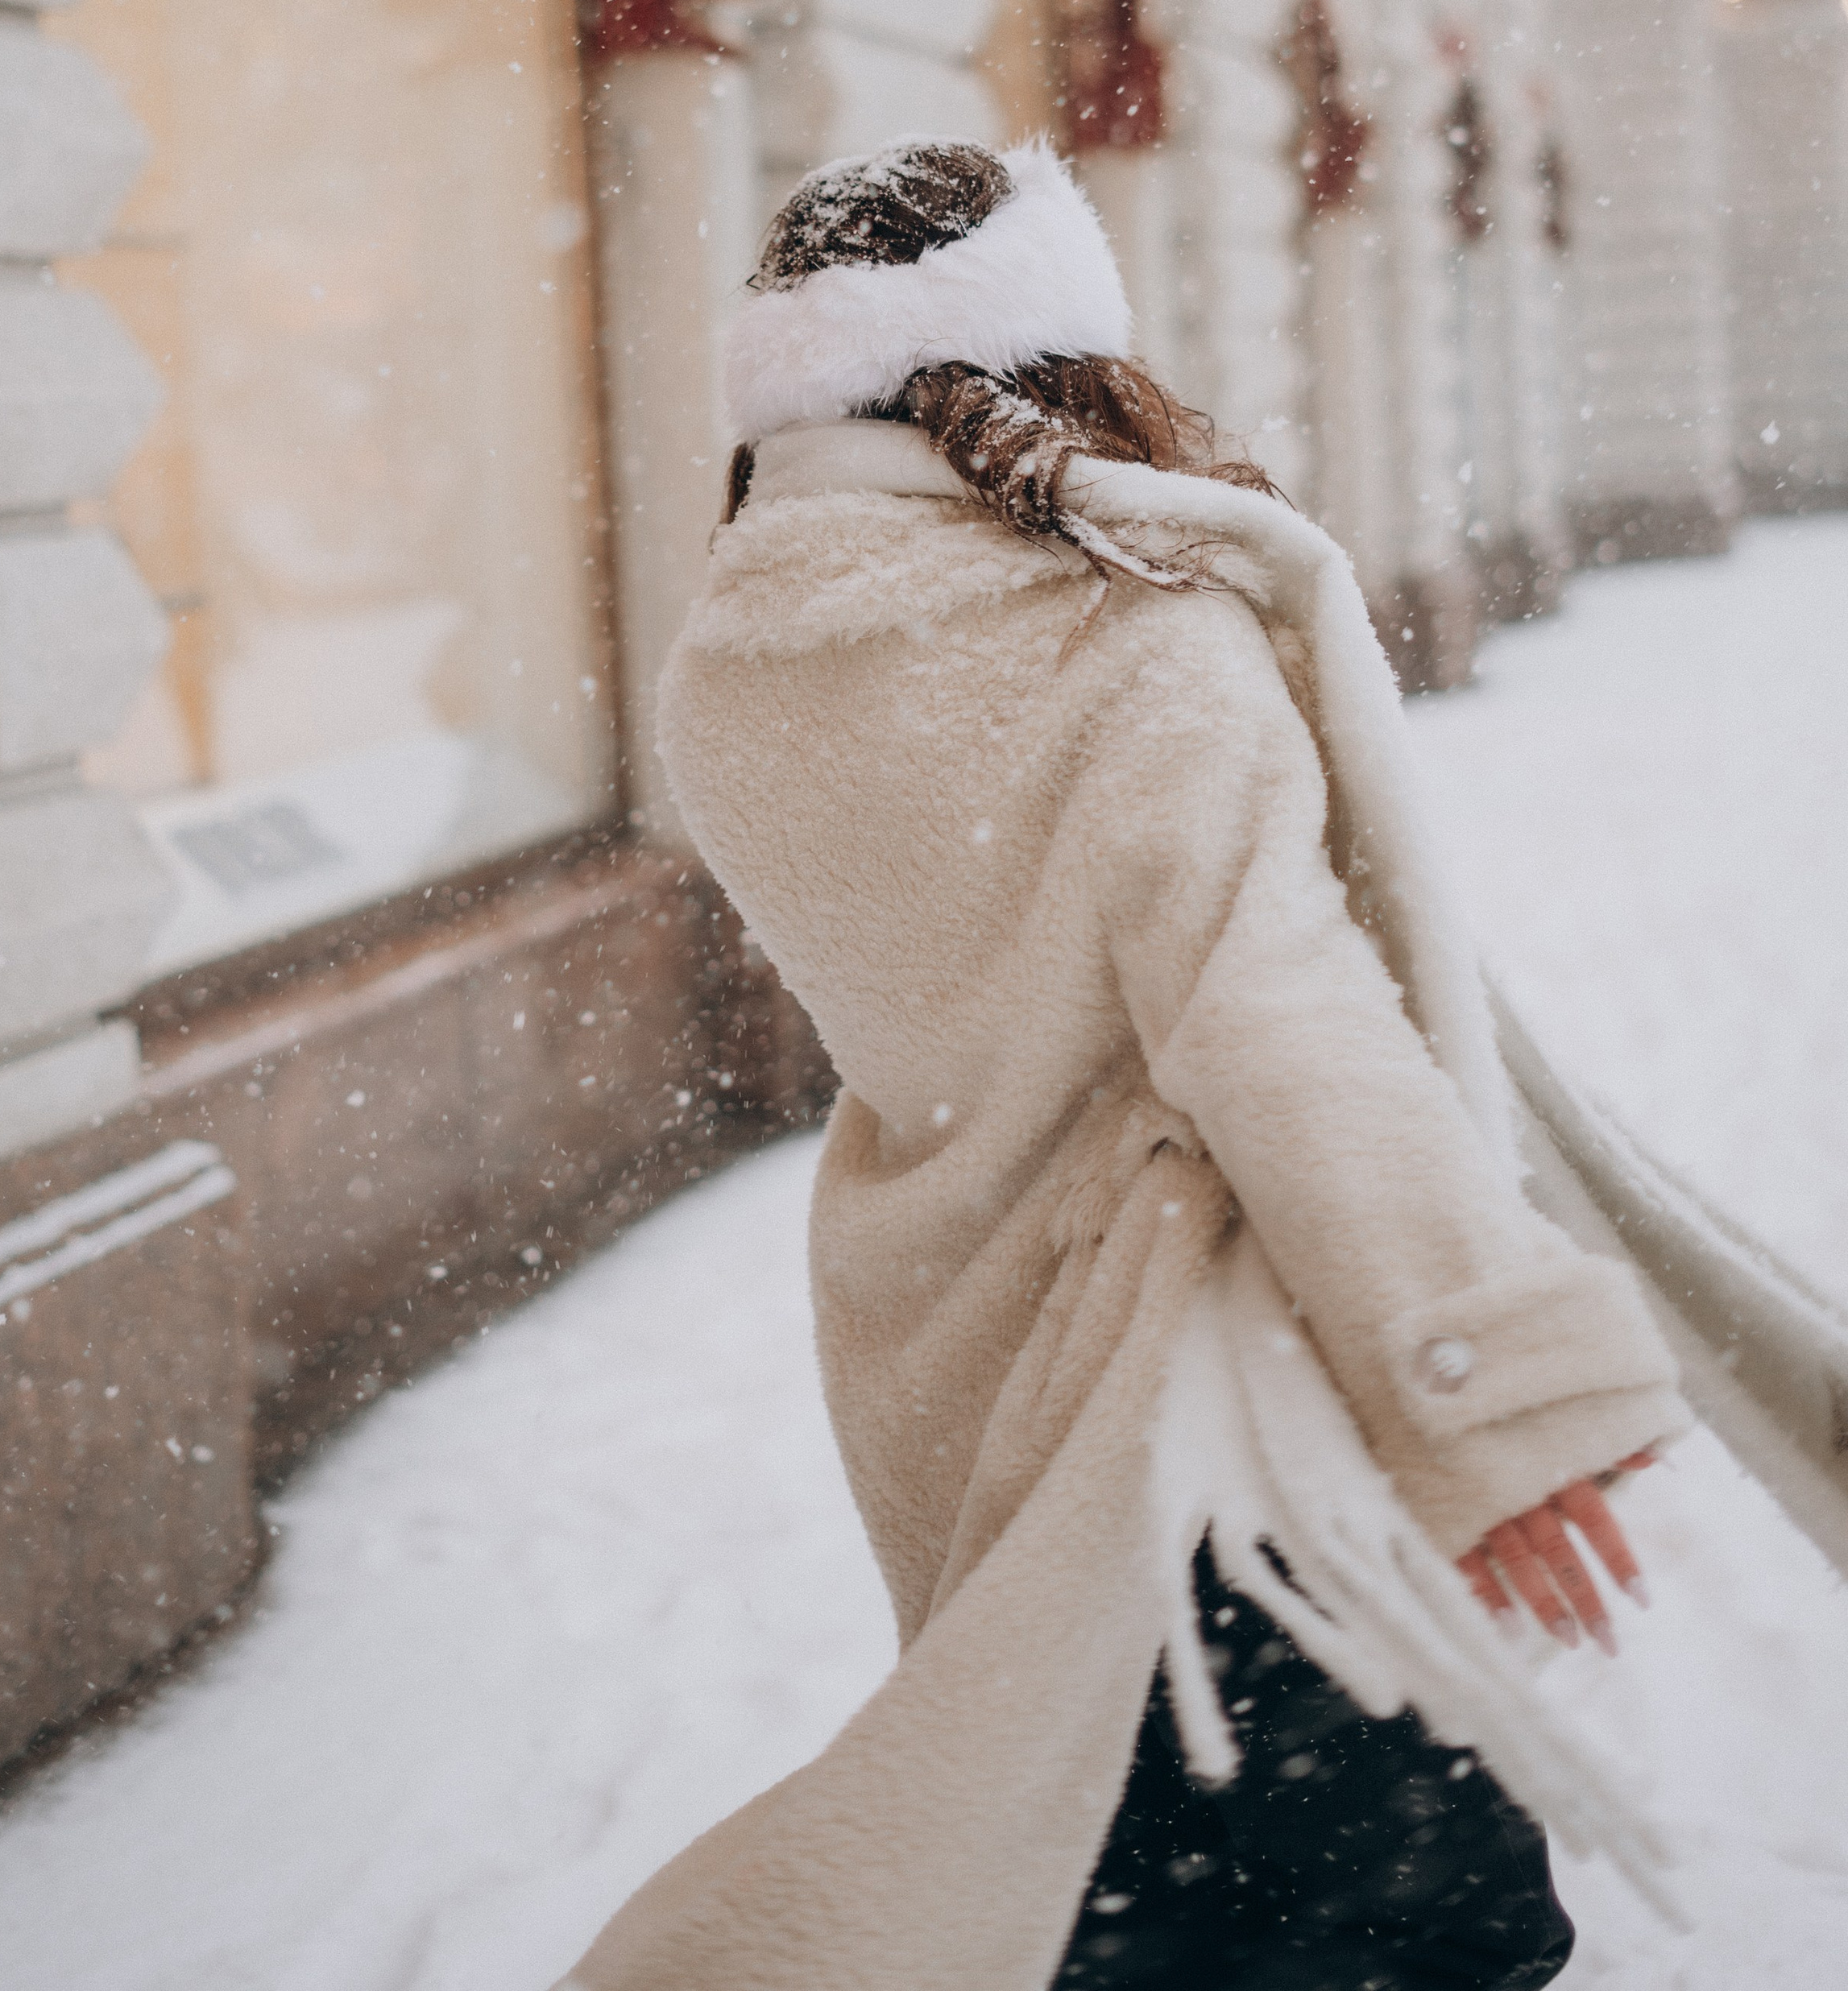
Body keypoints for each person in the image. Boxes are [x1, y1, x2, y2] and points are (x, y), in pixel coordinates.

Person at [559, 138, 1689, 1991]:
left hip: (956, 1361)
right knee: (1421, 1933)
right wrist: (1479, 1377)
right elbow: (1276, 1022)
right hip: (1218, 1398)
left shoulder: (725, 673)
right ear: (1052, 348)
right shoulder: (1126, 637)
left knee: (1097, 1900)